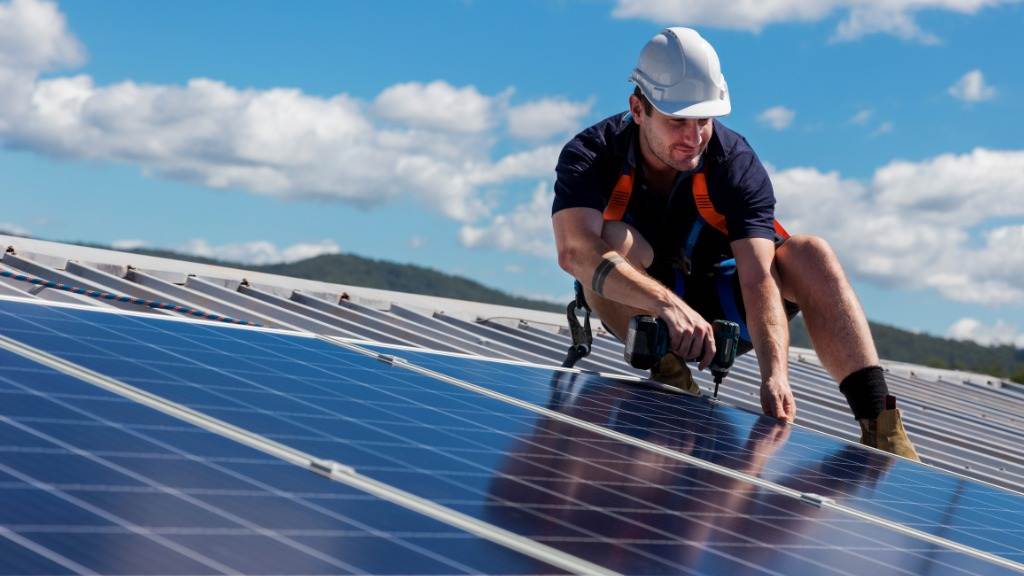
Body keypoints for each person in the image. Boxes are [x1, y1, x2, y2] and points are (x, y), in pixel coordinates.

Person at [551, 27, 919, 460]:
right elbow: (574, 250)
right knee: (607, 240)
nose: (693, 137)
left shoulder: (735, 164)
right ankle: (670, 376)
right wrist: (666, 306)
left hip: (729, 307)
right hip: (649, 314)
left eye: (703, 120)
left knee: (809, 252)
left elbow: (759, 276)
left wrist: (775, 375)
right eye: (677, 122)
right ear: (638, 109)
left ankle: (881, 425)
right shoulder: (593, 154)